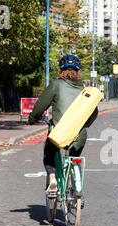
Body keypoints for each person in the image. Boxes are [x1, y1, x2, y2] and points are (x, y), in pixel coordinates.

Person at [27, 54, 98, 193]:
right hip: (79, 134)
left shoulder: (55, 85)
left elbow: (40, 106)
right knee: (74, 157)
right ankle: (76, 185)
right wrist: (84, 125)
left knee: (49, 154)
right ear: (78, 71)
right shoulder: (85, 90)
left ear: (60, 69)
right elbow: (94, 112)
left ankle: (53, 180)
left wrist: (32, 118)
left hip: (58, 133)